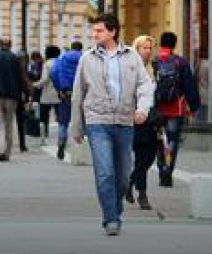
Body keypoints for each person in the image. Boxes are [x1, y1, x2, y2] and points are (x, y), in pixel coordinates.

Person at [70, 13, 153, 236]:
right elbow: (78, 95)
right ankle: (111, 218)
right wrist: (76, 128)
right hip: (98, 122)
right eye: (94, 30)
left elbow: (145, 86)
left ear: (113, 32)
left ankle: (115, 207)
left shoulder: (132, 57)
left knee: (124, 175)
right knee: (105, 172)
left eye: (99, 30)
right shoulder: (86, 59)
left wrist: (142, 109)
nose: (94, 34)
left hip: (125, 123)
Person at [153, 32, 200, 187]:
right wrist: (194, 106)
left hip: (157, 108)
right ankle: (168, 171)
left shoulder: (154, 61)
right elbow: (189, 86)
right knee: (172, 141)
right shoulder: (181, 62)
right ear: (174, 44)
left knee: (160, 140)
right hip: (176, 108)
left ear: (160, 43)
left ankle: (161, 169)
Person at [0, 37, 30, 162]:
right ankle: (7, 152)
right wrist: (28, 94)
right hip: (12, 96)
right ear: (10, 45)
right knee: (9, 124)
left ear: (0, 44)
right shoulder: (16, 59)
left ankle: (1, 148)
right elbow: (23, 77)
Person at [126, 35, 157, 211]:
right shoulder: (131, 68)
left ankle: (129, 183)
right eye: (143, 47)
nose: (147, 51)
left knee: (150, 157)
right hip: (136, 118)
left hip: (152, 119)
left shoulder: (153, 68)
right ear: (136, 49)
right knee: (141, 157)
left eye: (149, 48)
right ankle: (142, 194)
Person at [50, 41, 84, 160]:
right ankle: (82, 148)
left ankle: (61, 144)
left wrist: (59, 88)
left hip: (66, 93)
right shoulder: (84, 58)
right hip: (82, 93)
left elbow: (53, 73)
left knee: (63, 122)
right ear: (80, 49)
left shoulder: (61, 59)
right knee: (82, 120)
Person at [34, 46, 61, 145]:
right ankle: (61, 137)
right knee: (60, 117)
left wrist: (35, 84)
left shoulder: (47, 64)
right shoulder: (61, 62)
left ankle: (43, 137)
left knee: (43, 117)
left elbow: (44, 79)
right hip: (59, 94)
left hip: (47, 94)